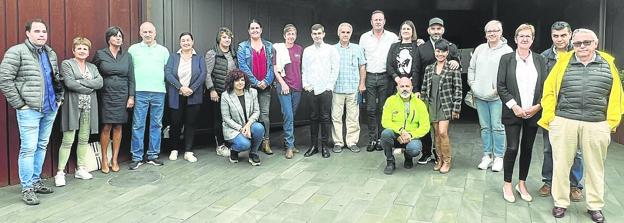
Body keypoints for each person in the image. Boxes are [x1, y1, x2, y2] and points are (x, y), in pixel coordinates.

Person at [538, 28, 624, 222]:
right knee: (561, 164)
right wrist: (552, 118)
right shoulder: (562, 62)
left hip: (596, 123)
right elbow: (549, 91)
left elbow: (616, 95)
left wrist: (610, 123)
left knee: (595, 167)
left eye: (587, 42)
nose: (582, 46)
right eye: (577, 43)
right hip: (565, 120)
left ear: (596, 43)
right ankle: (560, 202)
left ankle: (595, 206)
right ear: (573, 44)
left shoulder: (608, 64)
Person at [0, 19, 64, 205]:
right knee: (28, 148)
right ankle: (27, 188)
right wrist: (20, 104)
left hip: (50, 108)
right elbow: (5, 80)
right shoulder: (16, 52)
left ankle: (36, 181)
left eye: (44, 31)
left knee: (42, 145)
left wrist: (59, 98)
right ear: (28, 33)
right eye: (37, 31)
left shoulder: (50, 53)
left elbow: (56, 77)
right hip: (29, 110)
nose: (42, 34)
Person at [496, 24, 548, 203]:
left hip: (533, 113)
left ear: (532, 39)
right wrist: (514, 106)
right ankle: (507, 184)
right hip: (513, 113)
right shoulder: (506, 59)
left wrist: (538, 106)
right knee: (512, 148)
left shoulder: (540, 60)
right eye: (521, 36)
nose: (525, 39)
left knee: (527, 149)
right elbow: (501, 86)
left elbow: (546, 87)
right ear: (516, 39)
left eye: (528, 36)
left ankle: (522, 183)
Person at [538, 21, 584, 201]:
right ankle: (549, 182)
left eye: (563, 35)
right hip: (552, 111)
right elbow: (541, 85)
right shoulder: (544, 57)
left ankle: (574, 185)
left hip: (574, 110)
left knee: (576, 150)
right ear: (551, 36)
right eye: (556, 36)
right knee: (549, 148)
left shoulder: (580, 54)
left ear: (570, 34)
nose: (559, 39)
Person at [55, 37, 103, 186]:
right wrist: (90, 87)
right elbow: (69, 83)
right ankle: (60, 172)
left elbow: (100, 82)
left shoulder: (92, 67)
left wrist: (80, 82)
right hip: (72, 106)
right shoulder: (67, 64)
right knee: (68, 139)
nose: (82, 51)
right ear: (73, 50)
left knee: (83, 138)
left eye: (85, 49)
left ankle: (80, 168)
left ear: (88, 52)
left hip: (88, 107)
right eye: (79, 48)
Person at [467, 20, 513, 171]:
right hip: (480, 96)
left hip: (497, 98)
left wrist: (499, 90)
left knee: (498, 127)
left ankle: (499, 157)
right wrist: (472, 85)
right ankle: (487, 156)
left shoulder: (507, 51)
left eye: (495, 30)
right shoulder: (480, 49)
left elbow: (510, 75)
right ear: (485, 33)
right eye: (489, 31)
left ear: (501, 32)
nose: (492, 33)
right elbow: (471, 68)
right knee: (485, 127)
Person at [415, 17, 461, 165]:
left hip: (445, 101)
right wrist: (419, 96)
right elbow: (418, 74)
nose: (436, 31)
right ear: (428, 30)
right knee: (433, 132)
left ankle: (446, 160)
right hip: (430, 99)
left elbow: (458, 83)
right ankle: (435, 157)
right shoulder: (423, 51)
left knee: (442, 132)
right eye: (433, 28)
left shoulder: (451, 48)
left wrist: (457, 61)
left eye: (438, 28)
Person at [127, 21, 170, 170]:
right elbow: (129, 72)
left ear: (155, 33)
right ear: (140, 33)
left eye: (150, 32)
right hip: (140, 91)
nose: (147, 34)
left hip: (159, 91)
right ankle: (137, 157)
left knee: (156, 124)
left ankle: (153, 155)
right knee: (138, 124)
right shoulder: (133, 50)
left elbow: (168, 71)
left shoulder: (163, 51)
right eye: (144, 32)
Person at [92, 26, 135, 173]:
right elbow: (93, 71)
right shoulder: (100, 54)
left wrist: (131, 96)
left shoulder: (127, 56)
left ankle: (114, 159)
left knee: (118, 126)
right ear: (108, 38)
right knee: (106, 126)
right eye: (115, 36)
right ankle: (104, 159)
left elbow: (131, 78)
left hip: (122, 95)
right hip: (105, 94)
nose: (118, 38)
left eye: (120, 36)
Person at [358, 10, 398, 152]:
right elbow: (361, 60)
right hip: (369, 76)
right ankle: (372, 139)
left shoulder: (392, 37)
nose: (378, 22)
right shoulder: (364, 37)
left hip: (385, 77)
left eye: (380, 19)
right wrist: (361, 82)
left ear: (384, 21)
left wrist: (418, 41)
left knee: (383, 109)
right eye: (375, 20)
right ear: (371, 22)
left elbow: (401, 49)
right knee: (370, 109)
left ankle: (381, 139)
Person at [165, 32, 207, 162]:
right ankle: (174, 149)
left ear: (192, 42)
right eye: (183, 40)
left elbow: (203, 74)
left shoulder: (199, 58)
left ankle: (188, 151)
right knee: (175, 123)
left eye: (188, 40)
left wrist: (191, 89)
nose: (186, 42)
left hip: (193, 95)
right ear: (180, 43)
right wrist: (180, 87)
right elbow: (168, 74)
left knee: (191, 123)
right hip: (176, 95)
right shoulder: (173, 57)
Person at [302, 24, 340, 158]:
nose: (317, 36)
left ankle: (324, 146)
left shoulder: (331, 49)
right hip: (311, 89)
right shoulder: (307, 50)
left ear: (323, 34)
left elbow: (335, 69)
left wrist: (329, 86)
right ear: (311, 35)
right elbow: (304, 69)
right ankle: (313, 146)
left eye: (319, 33)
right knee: (313, 117)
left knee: (325, 117)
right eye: (314, 34)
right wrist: (306, 85)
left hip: (326, 89)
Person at [237, 19, 275, 155]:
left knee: (264, 115)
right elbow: (242, 66)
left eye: (257, 28)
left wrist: (266, 81)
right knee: (250, 115)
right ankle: (254, 143)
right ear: (248, 31)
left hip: (266, 86)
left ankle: (266, 142)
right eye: (252, 28)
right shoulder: (242, 47)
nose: (255, 30)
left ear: (261, 29)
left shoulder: (269, 46)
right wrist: (255, 81)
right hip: (250, 87)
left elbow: (272, 66)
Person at [380, 77, 430, 175]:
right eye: (402, 86)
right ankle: (390, 161)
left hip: (412, 136)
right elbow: (385, 121)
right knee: (385, 134)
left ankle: (408, 157)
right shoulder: (390, 101)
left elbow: (425, 126)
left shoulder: (420, 104)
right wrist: (400, 131)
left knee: (415, 149)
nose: (404, 89)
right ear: (397, 88)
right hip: (396, 134)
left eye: (407, 86)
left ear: (412, 88)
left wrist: (410, 135)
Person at [332, 22, 366, 153]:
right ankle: (338, 142)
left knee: (353, 117)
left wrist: (362, 83)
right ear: (338, 33)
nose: (345, 35)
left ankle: (352, 142)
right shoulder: (332, 49)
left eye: (347, 32)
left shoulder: (357, 49)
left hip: (353, 88)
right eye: (343, 32)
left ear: (351, 33)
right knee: (336, 116)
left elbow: (362, 66)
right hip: (337, 88)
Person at [221, 69, 265, 166]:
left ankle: (253, 153)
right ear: (231, 82)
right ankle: (234, 150)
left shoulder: (252, 92)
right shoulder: (225, 96)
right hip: (233, 128)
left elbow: (256, 111)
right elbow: (226, 118)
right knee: (244, 144)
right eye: (237, 80)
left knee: (259, 128)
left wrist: (248, 125)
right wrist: (241, 129)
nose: (240, 83)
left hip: (248, 124)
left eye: (242, 80)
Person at [273, 24, 304, 159]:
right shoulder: (278, 49)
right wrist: (283, 83)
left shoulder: (299, 49)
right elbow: (275, 69)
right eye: (289, 34)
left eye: (293, 34)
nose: (291, 36)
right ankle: (289, 146)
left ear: (296, 35)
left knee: (292, 116)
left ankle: (290, 143)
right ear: (284, 36)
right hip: (284, 86)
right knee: (289, 116)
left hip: (297, 87)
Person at [206, 27, 237, 154]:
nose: (227, 39)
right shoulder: (212, 53)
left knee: (230, 119)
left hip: (231, 92)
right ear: (219, 39)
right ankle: (220, 145)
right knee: (219, 119)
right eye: (224, 37)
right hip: (218, 92)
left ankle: (230, 142)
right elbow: (207, 73)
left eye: (229, 37)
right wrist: (212, 89)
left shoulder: (233, 53)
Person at [386, 20, 421, 95]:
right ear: (400, 31)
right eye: (404, 29)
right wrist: (397, 79)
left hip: (412, 84)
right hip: (395, 84)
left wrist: (410, 81)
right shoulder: (394, 46)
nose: (406, 31)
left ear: (412, 31)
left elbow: (418, 67)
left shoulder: (417, 46)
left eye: (408, 29)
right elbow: (389, 65)